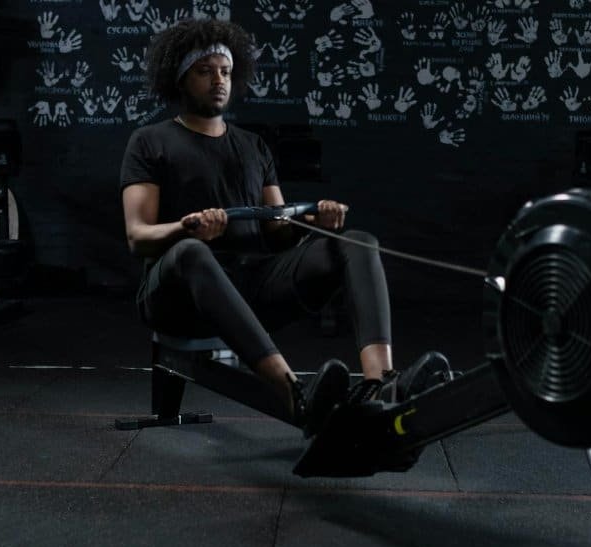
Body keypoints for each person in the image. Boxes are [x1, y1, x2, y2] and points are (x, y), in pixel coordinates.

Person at [120, 18, 448, 438]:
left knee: (357, 242)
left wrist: (310, 222)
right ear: (180, 79)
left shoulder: (253, 146)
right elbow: (137, 236)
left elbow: (277, 228)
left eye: (224, 70)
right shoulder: (150, 141)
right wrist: (187, 229)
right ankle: (293, 391)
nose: (218, 80)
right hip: (175, 296)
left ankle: (380, 385)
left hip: (249, 290)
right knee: (192, 252)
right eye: (205, 72)